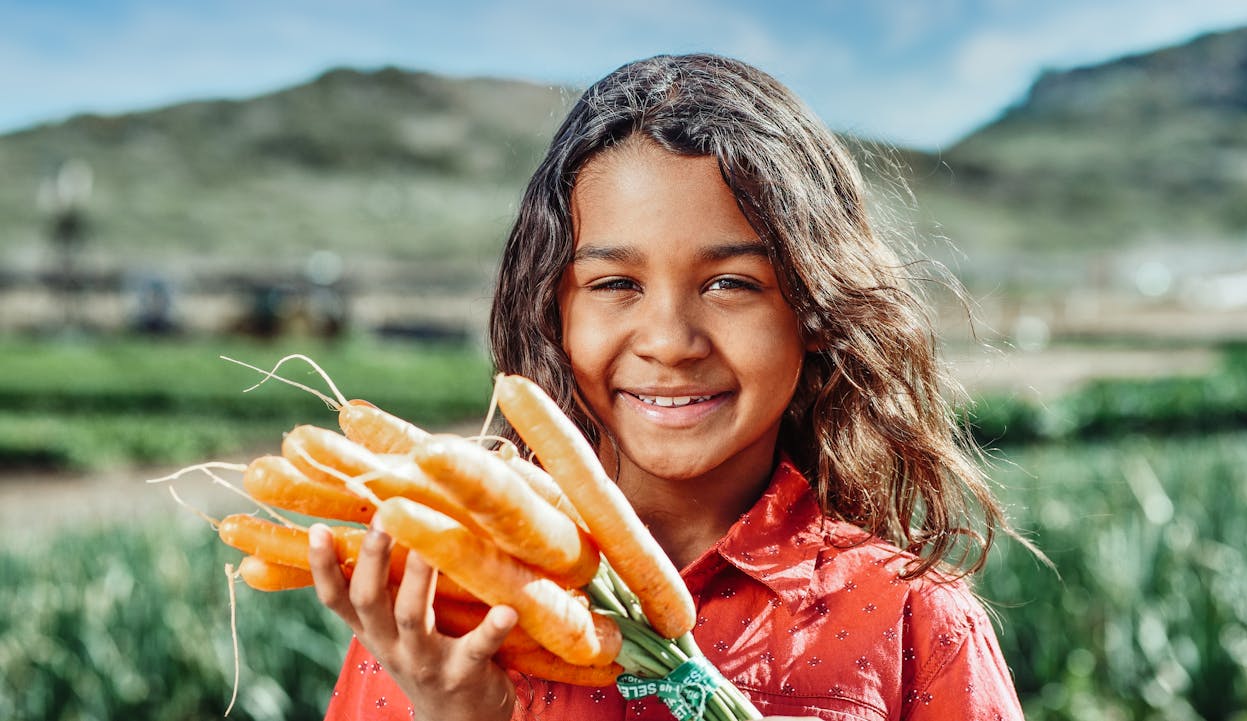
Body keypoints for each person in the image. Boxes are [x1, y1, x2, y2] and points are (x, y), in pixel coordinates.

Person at [309, 53, 1028, 721]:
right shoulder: (432, 608)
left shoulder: (912, 620)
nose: (670, 341)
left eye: (730, 284)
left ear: (813, 310)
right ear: (554, 311)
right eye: (616, 284)